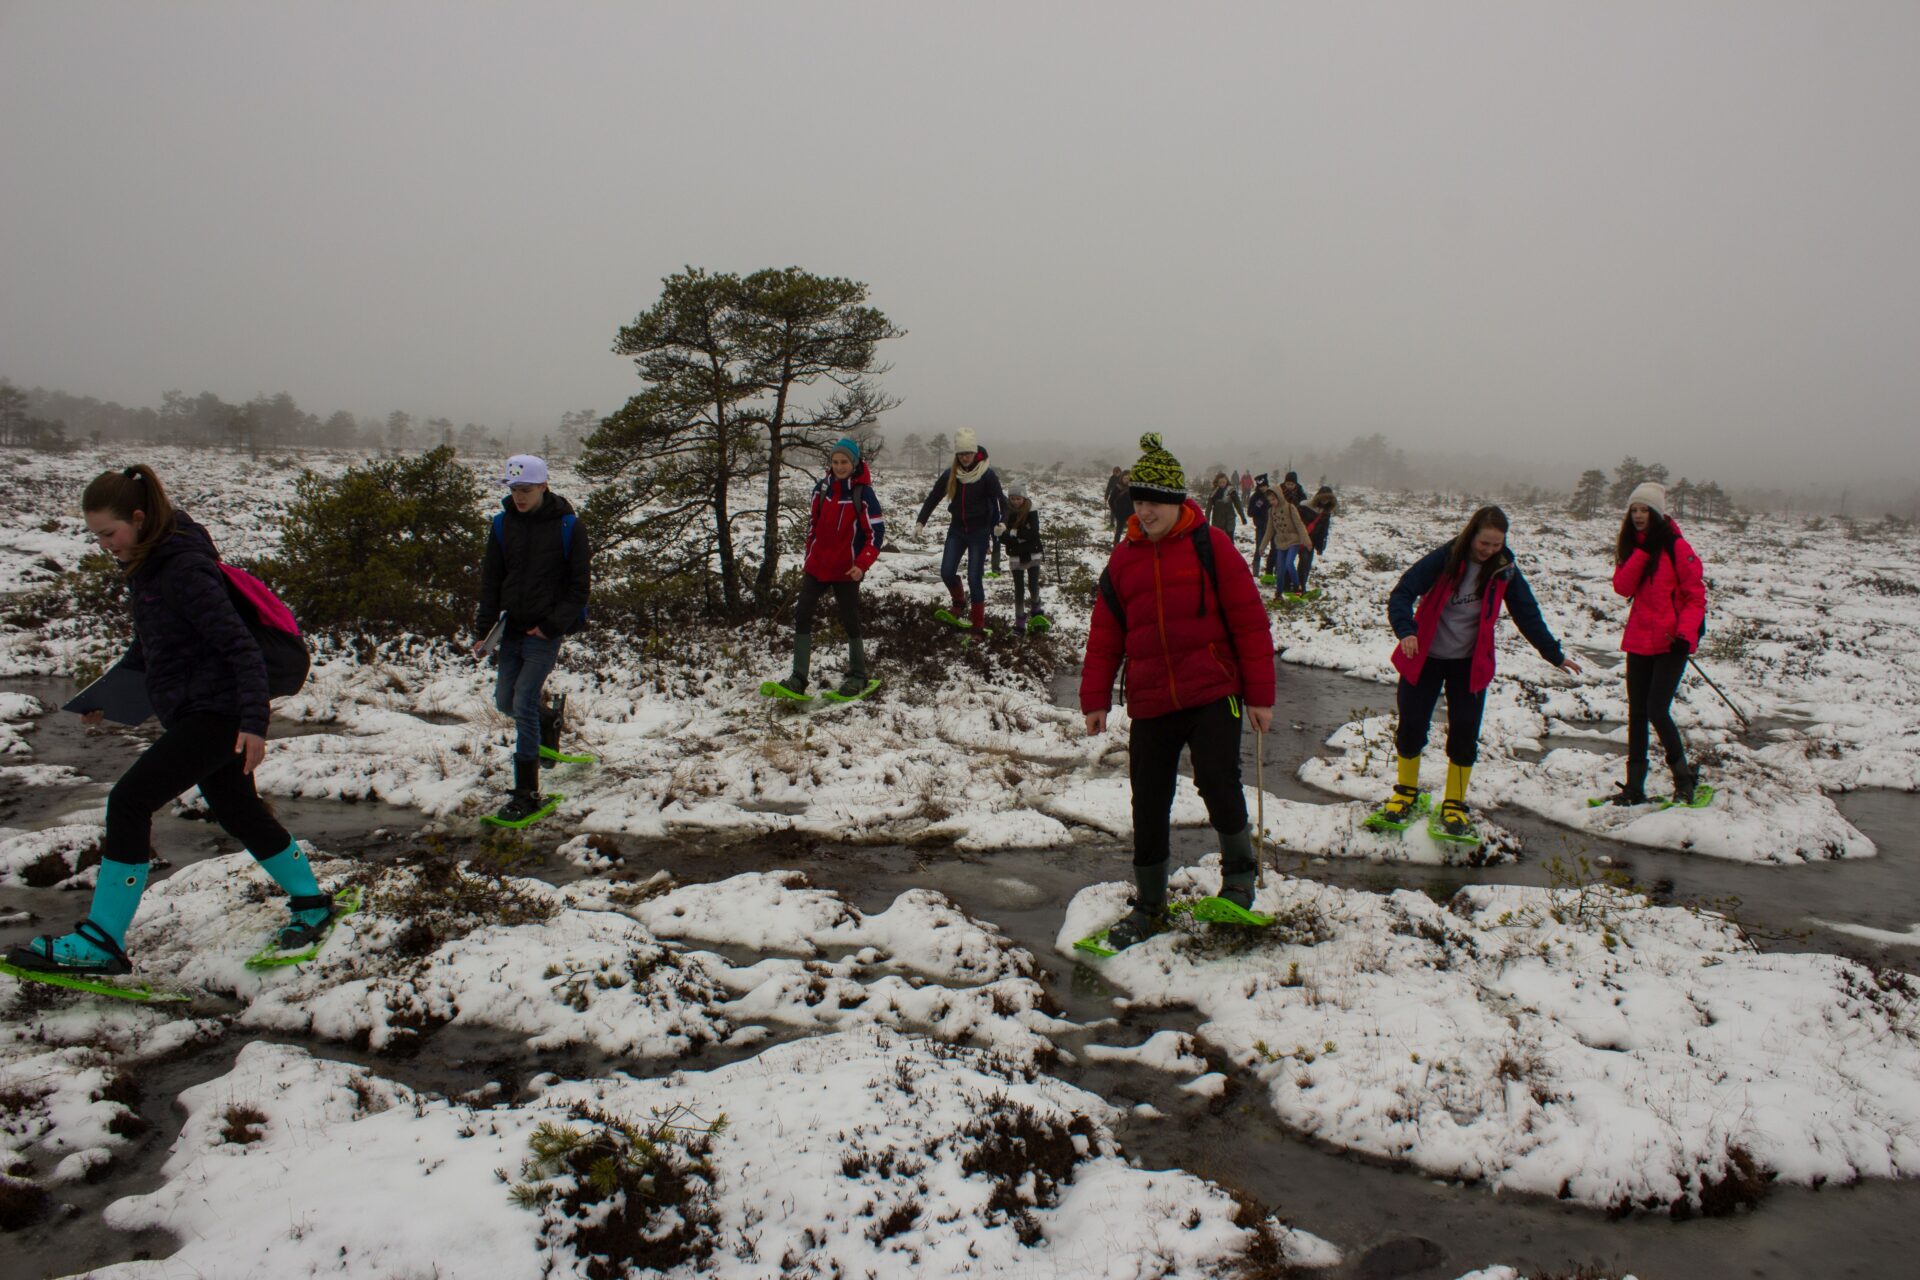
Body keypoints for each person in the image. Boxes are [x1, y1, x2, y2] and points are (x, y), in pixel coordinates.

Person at [7, 466, 335, 977]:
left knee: (130, 801)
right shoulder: (150, 568)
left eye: (109, 534)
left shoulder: (183, 570)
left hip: (217, 711)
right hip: (198, 707)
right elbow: (151, 650)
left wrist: (253, 722)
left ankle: (102, 942)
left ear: (138, 519)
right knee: (237, 808)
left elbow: (240, 647)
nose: (105, 545)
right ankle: (311, 903)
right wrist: (110, 698)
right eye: (96, 537)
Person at [1082, 434, 1276, 950]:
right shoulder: (1123, 561)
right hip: (1150, 699)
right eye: (1138, 502)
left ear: (1176, 502)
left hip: (1214, 689)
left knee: (1216, 778)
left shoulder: (1212, 546)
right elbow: (1105, 636)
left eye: (1153, 503)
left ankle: (1238, 880)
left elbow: (1250, 622)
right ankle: (1149, 905)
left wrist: (1259, 694)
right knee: (1147, 798)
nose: (1144, 512)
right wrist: (1095, 699)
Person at [1375, 506, 1583, 840]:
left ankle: (1454, 803)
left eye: (1495, 545)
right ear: (1472, 535)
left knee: (1464, 731)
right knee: (1412, 724)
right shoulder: (1445, 558)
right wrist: (1406, 630)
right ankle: (1405, 793)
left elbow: (1526, 613)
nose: (1487, 551)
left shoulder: (1505, 571)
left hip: (1469, 664)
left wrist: (1553, 654)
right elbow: (1402, 592)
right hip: (1424, 656)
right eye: (1483, 543)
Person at [474, 454, 592, 824]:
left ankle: (526, 793)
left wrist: (552, 626)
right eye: (513, 490)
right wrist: (483, 631)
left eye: (525, 489)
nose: (519, 496)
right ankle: (549, 721)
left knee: (522, 701)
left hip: (544, 631)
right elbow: (491, 581)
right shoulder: (501, 525)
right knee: (505, 700)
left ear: (544, 486)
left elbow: (579, 587)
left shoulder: (569, 526)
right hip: (510, 629)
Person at [1603, 483, 1706, 805]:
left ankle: (1683, 777)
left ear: (1657, 513)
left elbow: (1695, 597)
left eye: (1644, 510)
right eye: (1634, 510)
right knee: (1637, 713)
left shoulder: (1677, 547)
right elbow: (1622, 586)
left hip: (1671, 643)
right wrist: (1644, 551)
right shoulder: (1635, 546)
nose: (1637, 516)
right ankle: (1634, 787)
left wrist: (1686, 637)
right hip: (1639, 640)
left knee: (1657, 710)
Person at [767, 438, 884, 697]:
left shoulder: (863, 494)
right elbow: (813, 526)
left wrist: (862, 564)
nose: (839, 466)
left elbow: (875, 534)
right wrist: (809, 557)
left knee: (850, 618)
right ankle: (798, 678)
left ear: (854, 464)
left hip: (847, 570)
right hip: (818, 567)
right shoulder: (821, 490)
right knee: (803, 613)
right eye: (835, 461)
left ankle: (858, 675)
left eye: (844, 462)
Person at [916, 428, 1006, 633]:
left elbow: (1001, 500)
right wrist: (921, 522)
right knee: (946, 572)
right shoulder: (951, 474)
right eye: (961, 453)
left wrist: (1002, 521)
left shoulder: (987, 475)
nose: (965, 457)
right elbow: (933, 497)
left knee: (975, 578)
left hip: (979, 533)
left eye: (968, 453)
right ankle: (959, 603)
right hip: (956, 530)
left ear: (975, 453)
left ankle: (978, 626)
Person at [998, 480, 1046, 634]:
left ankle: (1037, 612)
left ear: (1024, 498)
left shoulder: (1031, 511)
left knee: (1033, 585)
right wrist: (1002, 534)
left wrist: (1014, 533)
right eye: (1012, 498)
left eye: (1018, 498)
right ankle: (1019, 623)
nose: (1016, 501)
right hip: (1016, 555)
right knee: (1019, 589)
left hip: (1033, 553)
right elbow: (1003, 538)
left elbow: (1034, 533)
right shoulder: (1006, 513)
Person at [1296, 485, 1337, 591]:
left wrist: (1321, 546)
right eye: (1323, 498)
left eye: (1328, 499)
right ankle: (1293, 584)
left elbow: (1324, 531)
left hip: (1312, 541)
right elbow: (1297, 522)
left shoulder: (1326, 512)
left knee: (1306, 563)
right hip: (1300, 538)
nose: (1325, 501)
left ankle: (1301, 585)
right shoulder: (1305, 506)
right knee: (1299, 561)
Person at [1206, 472, 1247, 542]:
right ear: (1217, 482)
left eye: (1224, 482)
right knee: (1218, 541)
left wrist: (1243, 517)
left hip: (1229, 520)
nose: (1222, 484)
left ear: (1227, 482)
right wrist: (1206, 520)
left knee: (1230, 540)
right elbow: (1208, 508)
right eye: (1220, 482)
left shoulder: (1231, 491)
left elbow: (1238, 505)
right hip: (1217, 520)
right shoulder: (1213, 493)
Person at [1246, 473, 1272, 568]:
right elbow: (1250, 512)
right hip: (1260, 526)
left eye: (1264, 486)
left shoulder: (1273, 495)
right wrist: (1259, 503)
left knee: (1275, 549)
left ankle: (1272, 570)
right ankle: (1256, 570)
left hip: (1273, 526)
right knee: (1259, 549)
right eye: (1261, 487)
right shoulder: (1255, 497)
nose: (1263, 488)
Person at [1105, 466, 1132, 543]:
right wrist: (1116, 512)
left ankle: (1131, 548)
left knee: (1132, 532)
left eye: (1128, 478)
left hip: (1131, 514)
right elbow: (1111, 501)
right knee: (1118, 532)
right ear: (1122, 478)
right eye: (1125, 478)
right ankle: (1116, 547)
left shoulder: (1133, 488)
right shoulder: (1117, 487)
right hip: (1120, 514)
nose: (1127, 480)